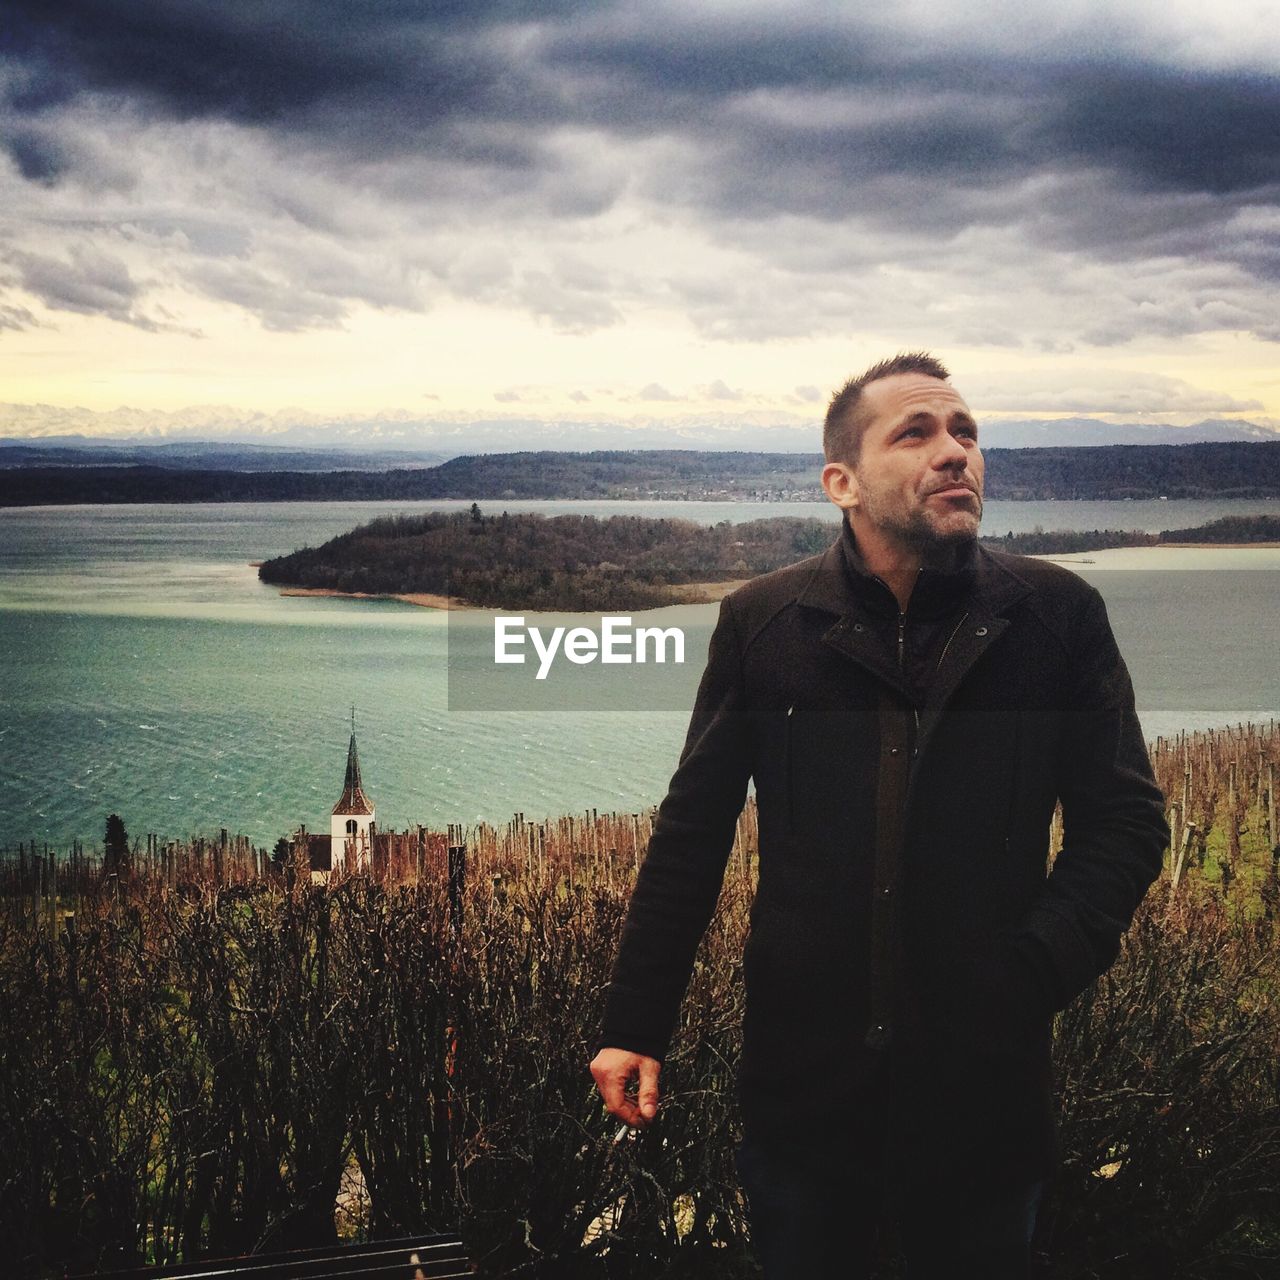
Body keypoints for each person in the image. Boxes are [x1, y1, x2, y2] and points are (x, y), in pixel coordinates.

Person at [589, 352, 1169, 1277]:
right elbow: (693, 832)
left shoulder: (1057, 617)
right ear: (842, 483)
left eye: (967, 433)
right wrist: (635, 1022)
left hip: (984, 1099)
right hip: (803, 1103)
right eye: (918, 432)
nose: (956, 453)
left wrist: (1025, 975)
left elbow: (1127, 824)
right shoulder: (762, 624)